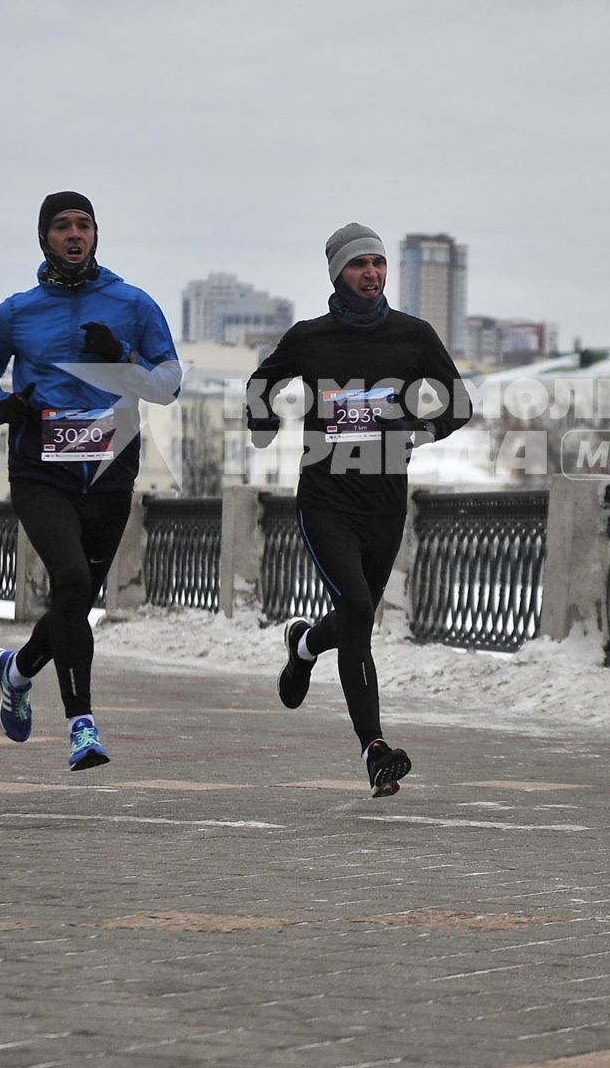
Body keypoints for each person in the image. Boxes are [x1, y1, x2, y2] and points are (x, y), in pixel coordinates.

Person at [246, 223, 471, 796]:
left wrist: (415, 431)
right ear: (337, 274)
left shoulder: (412, 335)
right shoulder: (309, 338)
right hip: (326, 499)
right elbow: (262, 384)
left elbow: (459, 404)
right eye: (357, 265)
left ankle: (303, 646)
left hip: (384, 501)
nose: (371, 273)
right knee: (360, 611)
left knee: (356, 615)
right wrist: (264, 421)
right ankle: (374, 749)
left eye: (377, 263)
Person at [0, 191, 182, 771]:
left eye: (84, 224)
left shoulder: (132, 303)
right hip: (40, 470)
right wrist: (0, 405)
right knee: (69, 576)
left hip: (109, 469)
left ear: (96, 236)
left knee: (76, 598)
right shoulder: (17, 312)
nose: (74, 234)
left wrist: (123, 357)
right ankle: (82, 725)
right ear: (45, 239)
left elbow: (168, 384)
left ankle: (17, 670)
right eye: (62, 226)